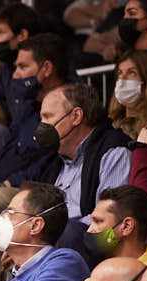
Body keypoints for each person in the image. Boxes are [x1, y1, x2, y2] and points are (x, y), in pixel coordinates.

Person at [35, 83, 131, 222]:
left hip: (86, 238)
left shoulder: (113, 152)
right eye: (41, 119)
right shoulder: (52, 161)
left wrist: (57, 231)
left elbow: (110, 216)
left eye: (48, 117)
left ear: (76, 116)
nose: (42, 126)